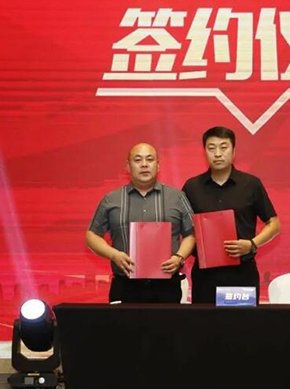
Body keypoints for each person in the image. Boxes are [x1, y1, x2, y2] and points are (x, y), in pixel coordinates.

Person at [86, 143, 195, 303]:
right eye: (138, 160)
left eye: (149, 159)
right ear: (128, 166)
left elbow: (191, 233)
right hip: (125, 285)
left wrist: (179, 257)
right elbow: (92, 236)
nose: (144, 164)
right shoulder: (111, 199)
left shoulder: (177, 197)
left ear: (158, 165)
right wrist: (114, 255)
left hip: (167, 286)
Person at [182, 126, 280, 303]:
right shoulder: (192, 187)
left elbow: (274, 224)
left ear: (234, 151)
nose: (218, 154)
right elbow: (184, 229)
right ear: (205, 152)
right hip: (205, 276)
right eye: (211, 148)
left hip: (241, 272)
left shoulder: (251, 184)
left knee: (241, 320)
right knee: (204, 320)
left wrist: (252, 244)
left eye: (223, 147)